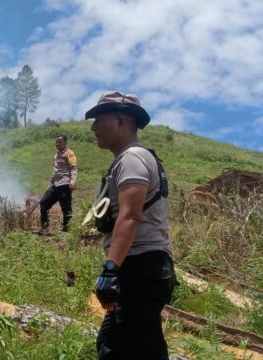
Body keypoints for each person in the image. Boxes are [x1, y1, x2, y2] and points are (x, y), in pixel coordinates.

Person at [86, 91, 175, 359]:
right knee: (131, 345)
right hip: (144, 267)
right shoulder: (129, 159)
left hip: (138, 266)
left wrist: (111, 269)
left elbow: (130, 216)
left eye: (100, 119)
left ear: (122, 121)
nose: (94, 127)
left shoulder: (132, 158)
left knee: (121, 347)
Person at [38, 135, 77, 233]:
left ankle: (66, 231)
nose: (57, 144)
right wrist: (50, 184)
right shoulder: (55, 156)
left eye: (59, 142)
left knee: (66, 209)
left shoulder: (69, 153)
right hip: (55, 185)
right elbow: (55, 172)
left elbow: (73, 168)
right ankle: (44, 228)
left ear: (65, 142)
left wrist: (73, 181)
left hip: (65, 184)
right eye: (56, 142)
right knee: (43, 204)